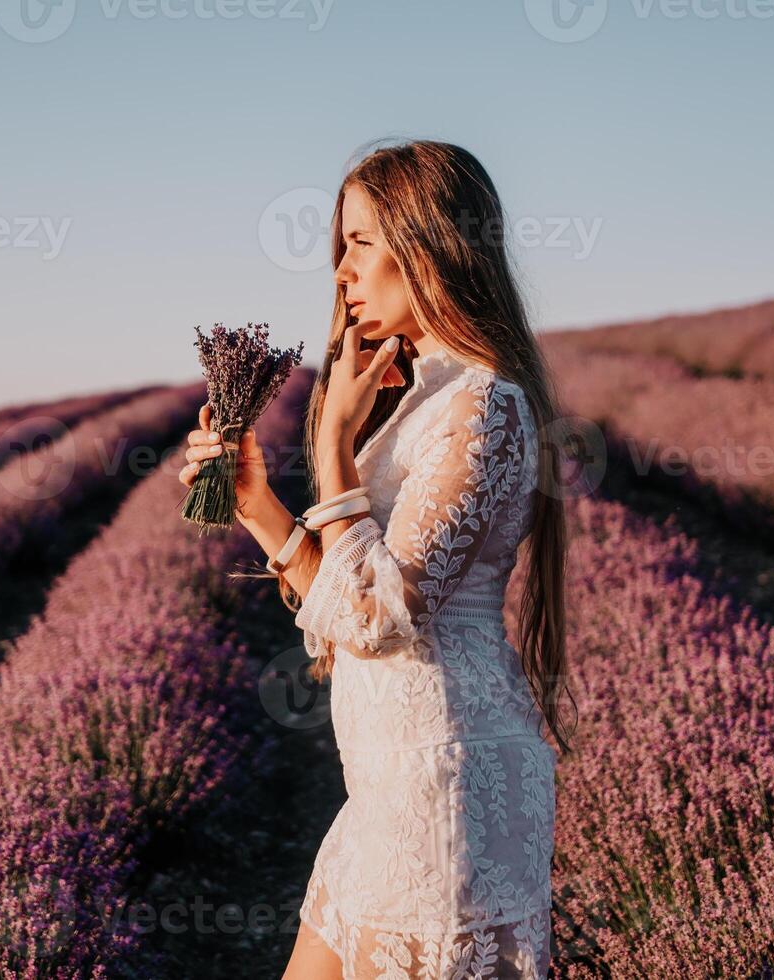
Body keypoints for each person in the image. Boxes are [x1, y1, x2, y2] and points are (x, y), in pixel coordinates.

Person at [179, 139, 573, 979]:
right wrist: (256, 504)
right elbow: (339, 622)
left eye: (360, 242)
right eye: (341, 246)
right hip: (391, 782)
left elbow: (377, 618)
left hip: (450, 777)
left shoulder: (487, 406)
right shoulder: (421, 404)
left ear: (429, 241)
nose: (341, 271)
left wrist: (329, 443)